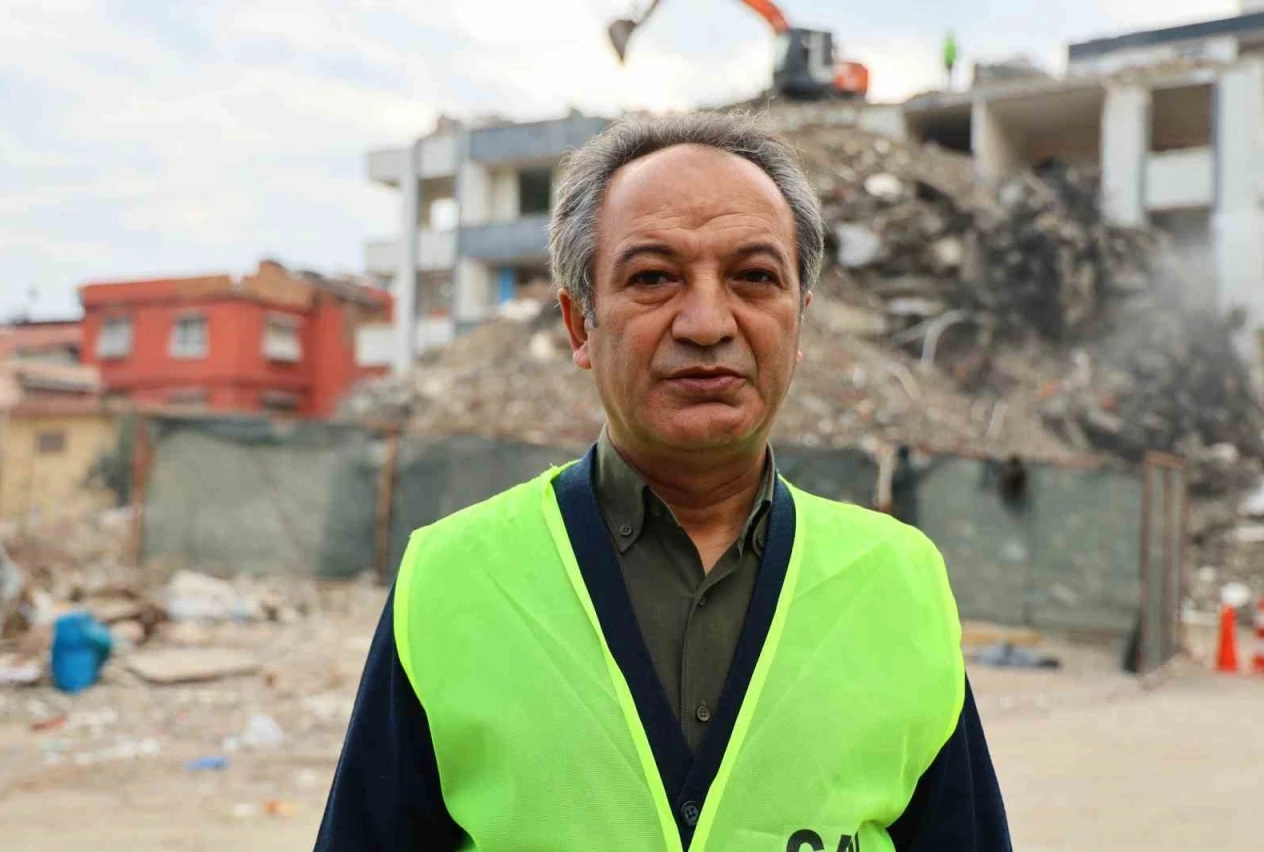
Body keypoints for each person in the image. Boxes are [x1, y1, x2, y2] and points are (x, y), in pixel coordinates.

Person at [314, 113, 1011, 851]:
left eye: (754, 277)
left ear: (799, 323)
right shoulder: (451, 579)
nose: (707, 323)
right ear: (580, 325)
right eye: (653, 277)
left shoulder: (900, 583)